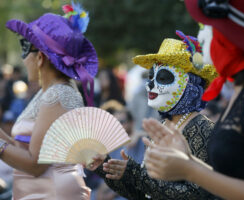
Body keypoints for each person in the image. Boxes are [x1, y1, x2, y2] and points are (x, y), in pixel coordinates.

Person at [143, 0, 244, 200]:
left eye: (205, 27)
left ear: (231, 35)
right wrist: (187, 159)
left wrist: (189, 169)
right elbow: (236, 175)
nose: (200, 37)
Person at [88, 30, 219, 200]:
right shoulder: (162, 126)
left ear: (190, 85)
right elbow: (145, 194)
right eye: (151, 76)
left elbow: (197, 195)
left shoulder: (202, 128)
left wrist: (135, 173)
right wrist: (107, 167)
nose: (150, 85)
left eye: (163, 77)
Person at [0, 2, 98, 199]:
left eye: (25, 48)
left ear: (41, 58)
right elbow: (23, 149)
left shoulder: (58, 95)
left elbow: (35, 164)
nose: (23, 58)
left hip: (52, 193)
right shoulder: (52, 92)